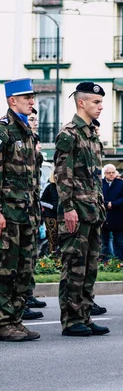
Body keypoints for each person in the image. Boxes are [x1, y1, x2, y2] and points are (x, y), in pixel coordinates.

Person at [54, 82, 109, 337]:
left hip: (92, 210)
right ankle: (71, 319)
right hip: (76, 210)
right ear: (81, 103)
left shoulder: (91, 134)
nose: (100, 107)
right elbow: (63, 175)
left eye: (100, 102)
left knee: (90, 267)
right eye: (96, 102)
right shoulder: (70, 133)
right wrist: (68, 208)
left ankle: (85, 315)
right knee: (74, 266)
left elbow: (94, 177)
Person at [0, 78, 42, 342]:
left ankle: (15, 320)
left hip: (27, 214)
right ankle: (3, 322)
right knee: (6, 270)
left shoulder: (28, 133)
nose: (32, 101)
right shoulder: (4, 132)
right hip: (8, 214)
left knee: (24, 270)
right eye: (27, 97)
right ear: (12, 100)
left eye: (32, 97)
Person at [24, 108, 46, 317]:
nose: (35, 122)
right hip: (16, 210)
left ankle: (26, 295)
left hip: (31, 208)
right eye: (31, 119)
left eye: (36, 119)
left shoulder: (32, 141)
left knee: (30, 255)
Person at [101, 164, 123, 262]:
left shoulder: (121, 183)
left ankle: (119, 261)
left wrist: (113, 204)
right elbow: (97, 197)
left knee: (118, 240)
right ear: (105, 173)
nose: (111, 175)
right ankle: (105, 261)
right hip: (104, 214)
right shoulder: (100, 183)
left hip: (117, 214)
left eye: (113, 172)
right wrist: (106, 204)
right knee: (105, 240)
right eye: (109, 173)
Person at [41, 172, 59, 255]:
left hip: (59, 216)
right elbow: (41, 200)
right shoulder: (49, 186)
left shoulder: (61, 188)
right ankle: (52, 257)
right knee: (52, 238)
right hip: (50, 216)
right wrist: (52, 206)